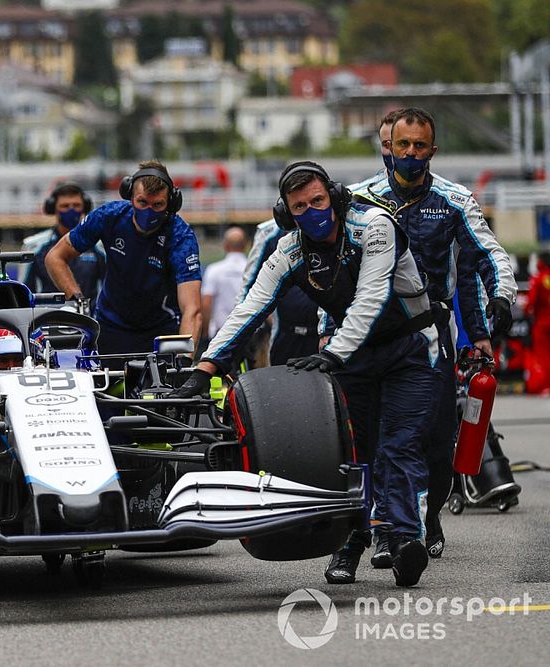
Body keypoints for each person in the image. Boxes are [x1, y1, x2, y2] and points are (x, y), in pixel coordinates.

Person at [172, 161, 438, 587]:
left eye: (317, 200)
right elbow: (250, 307)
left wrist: (332, 354)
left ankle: (405, 539)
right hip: (353, 355)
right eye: (300, 207)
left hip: (408, 348)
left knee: (399, 445)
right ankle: (349, 542)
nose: (312, 211)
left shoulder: (374, 226)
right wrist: (205, 367)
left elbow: (370, 297)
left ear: (333, 196)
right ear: (287, 213)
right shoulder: (290, 251)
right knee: (350, 451)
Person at [352, 107, 517, 563]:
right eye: (401, 145)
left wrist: (501, 298)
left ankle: (430, 514)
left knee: (439, 440)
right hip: (373, 330)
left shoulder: (454, 199)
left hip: (431, 331)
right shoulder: (359, 199)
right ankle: (390, 530)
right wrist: (331, 332)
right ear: (388, 146)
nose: (409, 153)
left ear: (432, 150)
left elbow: (489, 255)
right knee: (382, 436)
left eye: (418, 146)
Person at [44, 161, 202, 358]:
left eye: (157, 205)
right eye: (142, 202)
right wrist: (77, 300)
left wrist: (184, 359)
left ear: (171, 203)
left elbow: (192, 310)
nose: (149, 211)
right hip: (110, 326)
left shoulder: (180, 236)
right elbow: (55, 257)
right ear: (130, 197)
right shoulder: (109, 216)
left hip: (161, 330)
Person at [239, 219, 321, 365]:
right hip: (285, 334)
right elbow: (249, 286)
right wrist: (241, 335)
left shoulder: (333, 223)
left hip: (326, 335)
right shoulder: (269, 232)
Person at [22, 182, 105, 304]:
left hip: (89, 314)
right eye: (65, 206)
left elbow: (108, 287)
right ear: (53, 208)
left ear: (84, 207)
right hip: (48, 314)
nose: (71, 210)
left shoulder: (99, 246)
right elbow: (24, 290)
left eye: (76, 205)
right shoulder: (35, 246)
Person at [201, 226, 248, 341]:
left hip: (221, 333)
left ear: (225, 246)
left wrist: (205, 332)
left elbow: (206, 303)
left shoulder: (214, 270)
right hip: (249, 332)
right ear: (245, 245)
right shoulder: (254, 269)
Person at [526, 252, 550, 394]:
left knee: (543, 356)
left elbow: (531, 302)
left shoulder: (538, 278)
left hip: (542, 323)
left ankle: (546, 385)